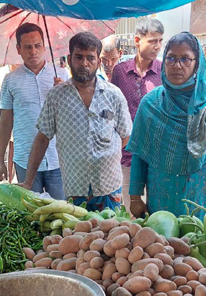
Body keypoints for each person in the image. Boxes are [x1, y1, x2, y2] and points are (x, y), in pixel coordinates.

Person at [127, 32, 206, 217]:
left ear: (197, 64)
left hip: (202, 196)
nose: (177, 65)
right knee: (162, 243)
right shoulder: (151, 103)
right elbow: (140, 153)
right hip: (161, 198)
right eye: (171, 58)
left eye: (185, 59)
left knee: (199, 243)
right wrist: (135, 198)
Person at [21, 32, 132, 211]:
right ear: (70, 58)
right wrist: (28, 181)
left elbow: (126, 136)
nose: (84, 63)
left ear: (98, 61)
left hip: (109, 187)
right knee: (77, 236)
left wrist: (105, 155)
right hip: (74, 189)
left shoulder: (114, 95)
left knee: (112, 235)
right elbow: (42, 139)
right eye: (79, 57)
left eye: (90, 58)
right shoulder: (56, 96)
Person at [0, 23, 65, 199]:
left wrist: (65, 93)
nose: (33, 51)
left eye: (37, 46)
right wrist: (0, 161)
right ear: (18, 49)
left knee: (63, 213)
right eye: (27, 47)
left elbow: (75, 116)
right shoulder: (11, 81)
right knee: (31, 214)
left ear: (45, 46)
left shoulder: (62, 76)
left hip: (58, 159)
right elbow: (5, 122)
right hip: (25, 160)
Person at [110, 18, 164, 213]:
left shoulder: (164, 72)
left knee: (156, 212)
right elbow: (111, 110)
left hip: (156, 156)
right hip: (126, 155)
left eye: (160, 41)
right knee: (131, 214)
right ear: (137, 40)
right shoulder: (120, 72)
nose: (157, 46)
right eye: (152, 41)